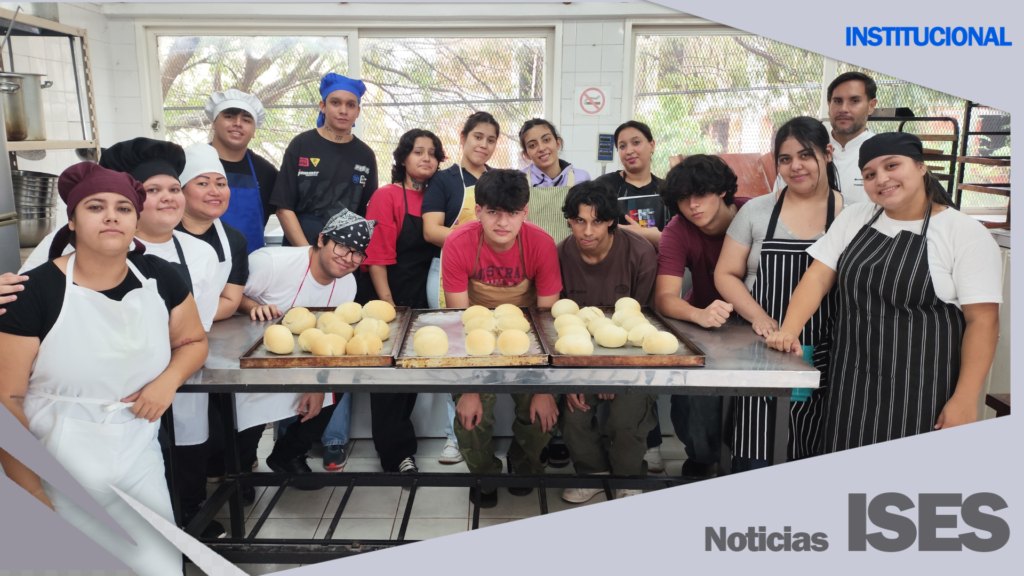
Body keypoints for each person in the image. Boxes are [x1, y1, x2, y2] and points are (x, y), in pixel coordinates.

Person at [0, 162, 209, 575]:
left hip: (137, 454)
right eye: (96, 207)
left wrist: (167, 382)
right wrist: (32, 496)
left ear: (137, 219)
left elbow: (193, 341)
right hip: (56, 462)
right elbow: (7, 404)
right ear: (73, 221)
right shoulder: (33, 293)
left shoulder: (159, 277)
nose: (112, 216)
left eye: (124, 208)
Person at [766, 132, 1001, 452]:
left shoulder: (963, 233)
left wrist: (964, 399)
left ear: (920, 167)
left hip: (923, 391)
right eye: (870, 174)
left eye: (893, 165)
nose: (882, 179)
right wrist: (790, 330)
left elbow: (983, 323)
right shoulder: (855, 217)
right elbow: (817, 278)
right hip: (851, 381)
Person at [715, 117, 845, 470]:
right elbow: (725, 273)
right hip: (761, 346)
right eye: (785, 159)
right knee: (754, 448)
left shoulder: (849, 214)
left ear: (828, 153)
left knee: (813, 446)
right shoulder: (757, 210)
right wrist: (759, 317)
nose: (795, 166)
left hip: (825, 349)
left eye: (806, 155)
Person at [442, 169, 562, 508]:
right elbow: (460, 320)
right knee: (470, 418)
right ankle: (484, 473)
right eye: (493, 211)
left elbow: (546, 322)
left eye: (512, 213)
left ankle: (524, 465)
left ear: (525, 212)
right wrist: (470, 389)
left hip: (528, 335)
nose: (502, 222)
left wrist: (541, 389)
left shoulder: (540, 244)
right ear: (478, 210)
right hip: (475, 336)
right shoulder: (458, 242)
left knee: (542, 413)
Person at [240, 209, 374, 479]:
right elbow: (229, 296)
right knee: (247, 411)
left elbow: (330, 337)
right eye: (342, 247)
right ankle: (240, 467)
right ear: (322, 239)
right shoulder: (270, 264)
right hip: (252, 358)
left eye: (357, 253)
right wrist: (254, 307)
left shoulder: (347, 284)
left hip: (302, 358)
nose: (348, 259)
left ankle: (287, 454)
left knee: (336, 389)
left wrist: (318, 386)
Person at [555, 180, 658, 502]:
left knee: (628, 418)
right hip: (578, 356)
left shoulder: (640, 252)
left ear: (612, 219)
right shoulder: (559, 254)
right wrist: (575, 376)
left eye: (597, 221)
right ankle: (592, 474)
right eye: (579, 221)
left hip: (631, 357)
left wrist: (614, 370)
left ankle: (628, 476)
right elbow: (554, 322)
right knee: (575, 413)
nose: (587, 231)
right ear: (569, 220)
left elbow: (644, 324)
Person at [654, 155, 748, 477]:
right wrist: (699, 314)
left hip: (761, 322)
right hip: (706, 323)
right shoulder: (678, 229)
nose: (693, 205)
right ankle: (702, 454)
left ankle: (747, 457)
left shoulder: (754, 213)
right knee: (693, 396)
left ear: (722, 190)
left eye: (702, 194)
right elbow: (665, 297)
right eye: (683, 198)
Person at [358, 129, 446, 473]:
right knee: (388, 379)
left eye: (432, 153)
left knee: (409, 375)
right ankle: (395, 454)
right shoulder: (388, 195)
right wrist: (389, 306)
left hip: (423, 295)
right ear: (403, 158)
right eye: (417, 151)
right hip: (387, 292)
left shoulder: (440, 198)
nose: (426, 158)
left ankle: (402, 445)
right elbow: (376, 255)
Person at [421, 111, 501, 464]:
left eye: (491, 139)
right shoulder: (444, 180)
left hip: (492, 278)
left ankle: (482, 431)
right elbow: (431, 229)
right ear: (463, 137)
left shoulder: (499, 180)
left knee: (487, 350)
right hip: (446, 273)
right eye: (478, 137)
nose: (483, 145)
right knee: (455, 353)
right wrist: (472, 240)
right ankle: (453, 436)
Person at [517, 117, 592, 467]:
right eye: (532, 144)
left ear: (558, 142)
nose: (541, 148)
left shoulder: (583, 178)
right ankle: (539, 432)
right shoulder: (521, 184)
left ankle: (562, 432)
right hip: (535, 274)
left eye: (546, 140)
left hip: (573, 270)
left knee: (569, 345)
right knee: (542, 342)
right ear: (526, 152)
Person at [272, 73, 378, 246]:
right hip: (300, 248)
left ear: (357, 111)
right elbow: (284, 208)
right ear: (323, 106)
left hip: (344, 252)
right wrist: (307, 254)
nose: (343, 110)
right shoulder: (301, 144)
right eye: (335, 102)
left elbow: (367, 212)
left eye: (350, 105)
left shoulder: (365, 155)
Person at [773, 72, 877, 203]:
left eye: (854, 101)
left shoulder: (884, 153)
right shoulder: (800, 154)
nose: (843, 109)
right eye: (837, 101)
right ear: (829, 105)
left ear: (871, 106)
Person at [205, 89, 280, 252]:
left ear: (254, 131)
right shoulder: (189, 162)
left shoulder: (265, 171)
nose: (238, 123)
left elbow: (286, 211)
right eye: (229, 116)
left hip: (250, 266)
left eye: (246, 120)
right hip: (198, 265)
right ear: (214, 122)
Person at [595, 120, 663, 248]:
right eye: (622, 146)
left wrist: (659, 239)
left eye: (636, 142)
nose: (629, 150)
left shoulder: (667, 189)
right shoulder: (604, 185)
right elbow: (594, 226)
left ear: (652, 145)